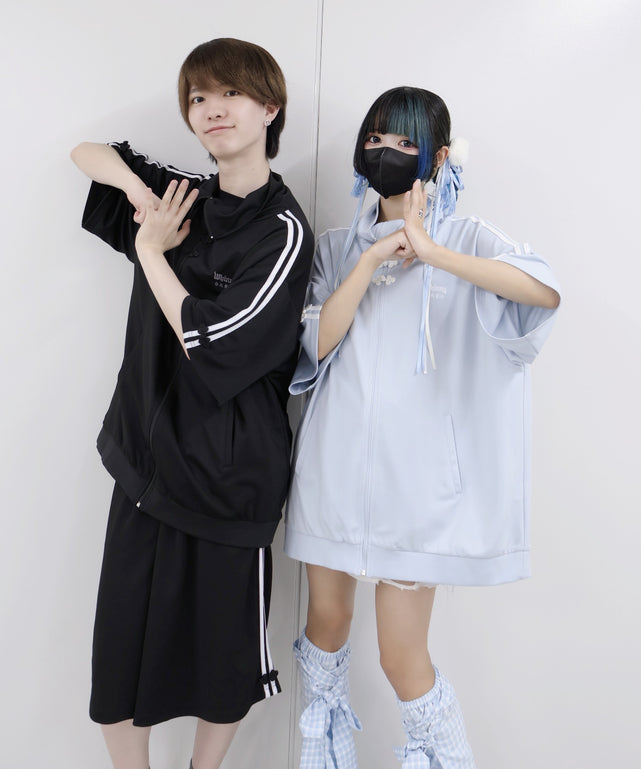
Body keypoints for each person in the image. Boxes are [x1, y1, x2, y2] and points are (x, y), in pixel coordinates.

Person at [284, 86, 561, 768]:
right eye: (376, 139)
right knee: (324, 630)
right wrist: (370, 261)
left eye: (406, 142)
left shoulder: (468, 239)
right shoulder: (335, 247)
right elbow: (314, 344)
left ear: (437, 158)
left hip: (418, 491)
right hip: (334, 473)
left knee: (400, 655)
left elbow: (543, 293)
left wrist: (433, 254)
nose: (386, 152)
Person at [71, 37, 314, 769]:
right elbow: (87, 153)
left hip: (226, 482)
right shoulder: (181, 197)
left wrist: (151, 251)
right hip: (146, 469)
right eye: (199, 98)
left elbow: (208, 343)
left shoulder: (282, 232)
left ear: (269, 109)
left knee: (222, 660)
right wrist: (142, 198)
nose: (212, 109)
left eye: (231, 93)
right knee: (118, 651)